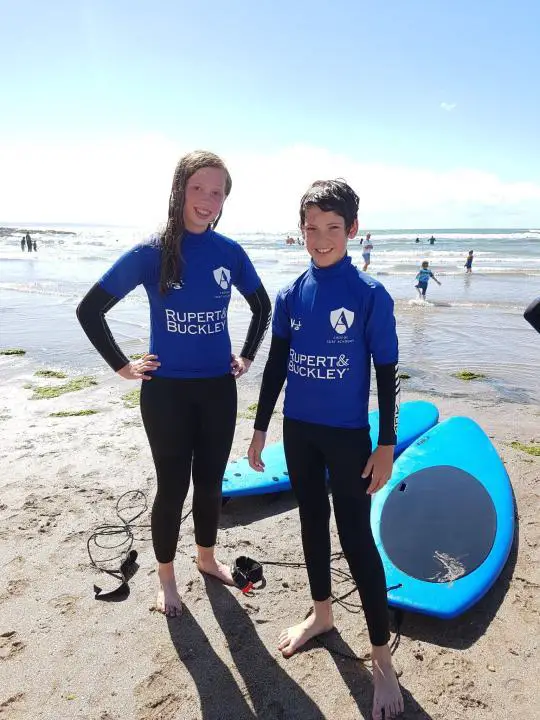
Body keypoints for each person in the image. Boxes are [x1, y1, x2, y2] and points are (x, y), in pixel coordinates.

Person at [77, 150, 271, 618]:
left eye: (217, 192)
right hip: (166, 393)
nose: (207, 199)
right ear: (180, 189)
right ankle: (166, 577)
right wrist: (123, 365)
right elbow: (90, 309)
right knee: (172, 487)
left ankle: (206, 559)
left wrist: (245, 356)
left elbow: (262, 307)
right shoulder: (152, 252)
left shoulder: (230, 253)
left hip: (217, 391)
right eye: (198, 188)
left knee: (208, 485)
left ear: (226, 199)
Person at [247, 179, 404, 720]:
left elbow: (387, 375)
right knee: (311, 522)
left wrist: (385, 443)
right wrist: (261, 428)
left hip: (347, 437)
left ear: (352, 230)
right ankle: (322, 616)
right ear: (302, 231)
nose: (321, 238)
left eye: (332, 228)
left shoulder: (370, 296)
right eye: (311, 228)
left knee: (357, 537)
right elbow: (275, 366)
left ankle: (381, 659)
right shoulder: (291, 295)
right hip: (300, 431)